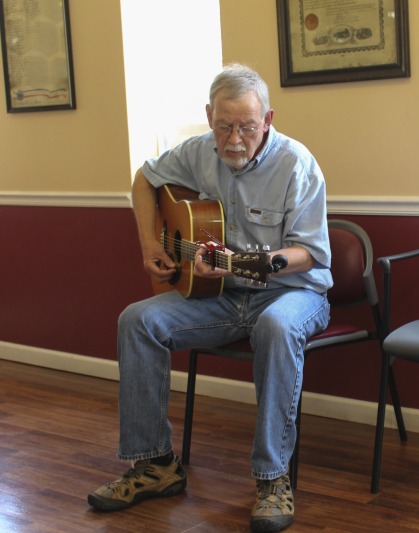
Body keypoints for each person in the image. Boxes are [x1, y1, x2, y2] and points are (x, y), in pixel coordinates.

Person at [88, 63, 332, 533]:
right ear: (208, 116)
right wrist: (152, 245)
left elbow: (311, 253)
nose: (235, 139)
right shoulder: (197, 152)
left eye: (246, 126)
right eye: (224, 126)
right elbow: (144, 179)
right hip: (220, 294)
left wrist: (268, 262)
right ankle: (154, 465)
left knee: (276, 326)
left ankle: (272, 479)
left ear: (268, 119)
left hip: (292, 293)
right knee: (136, 321)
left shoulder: (297, 163)